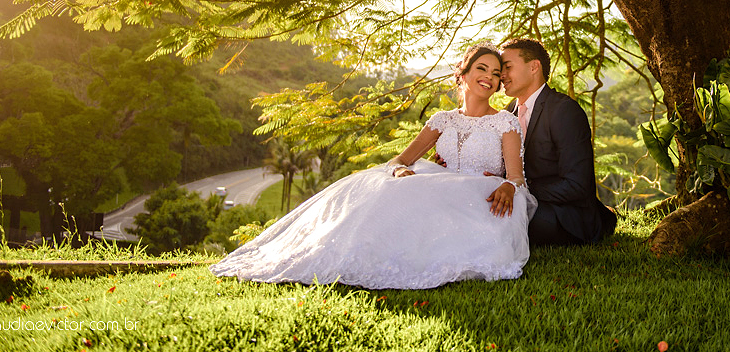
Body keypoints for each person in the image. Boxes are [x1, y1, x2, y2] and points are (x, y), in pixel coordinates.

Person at [209, 45, 533, 290]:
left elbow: (516, 177)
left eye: (495, 73)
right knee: (382, 186)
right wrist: (400, 171)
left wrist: (507, 185)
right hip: (435, 187)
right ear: (462, 74)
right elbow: (399, 160)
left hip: (479, 195)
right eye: (482, 69)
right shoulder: (441, 120)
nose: (489, 78)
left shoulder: (504, 122)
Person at [500, 37, 617, 245]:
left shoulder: (564, 110)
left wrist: (521, 188)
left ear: (534, 67)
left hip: (565, 215)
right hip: (527, 201)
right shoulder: (509, 112)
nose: (502, 75)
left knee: (503, 217)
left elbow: (577, 186)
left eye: (507, 67)